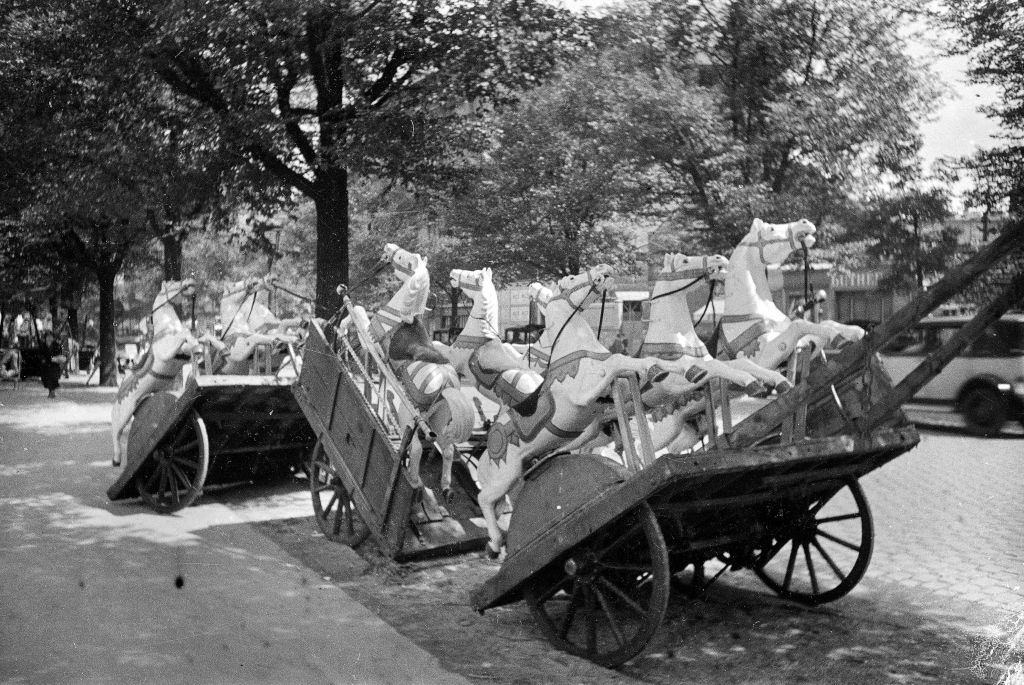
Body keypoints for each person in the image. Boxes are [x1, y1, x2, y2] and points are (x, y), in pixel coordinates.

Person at [39, 331, 67, 398]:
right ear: (45, 338)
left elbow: (59, 355)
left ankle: (52, 392)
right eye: (48, 337)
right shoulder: (42, 345)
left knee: (53, 377)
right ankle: (51, 392)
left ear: (53, 338)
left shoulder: (56, 345)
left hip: (54, 365)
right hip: (45, 365)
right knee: (46, 379)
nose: (49, 338)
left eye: (51, 337)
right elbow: (41, 355)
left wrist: (55, 359)